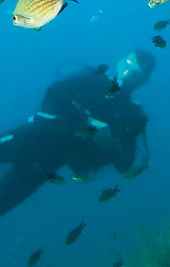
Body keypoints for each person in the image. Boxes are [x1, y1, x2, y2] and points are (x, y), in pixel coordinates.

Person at [0, 50, 154, 217]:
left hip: (46, 164)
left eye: (135, 73)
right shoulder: (94, 77)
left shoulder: (132, 114)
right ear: (120, 61)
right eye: (127, 64)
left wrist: (111, 145)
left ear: (144, 81)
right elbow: (54, 92)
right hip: (31, 137)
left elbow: (125, 164)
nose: (126, 72)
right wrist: (87, 121)